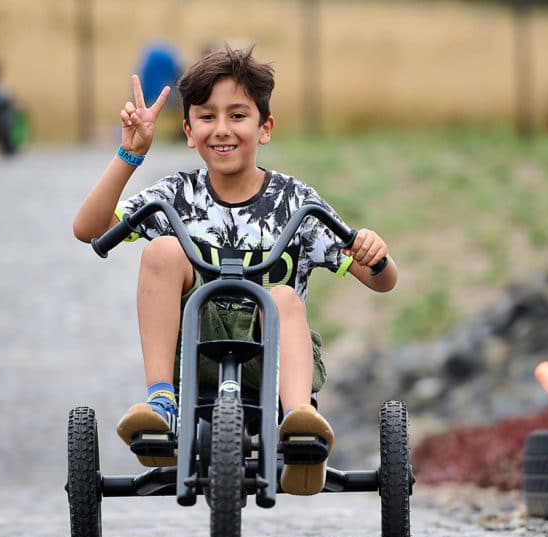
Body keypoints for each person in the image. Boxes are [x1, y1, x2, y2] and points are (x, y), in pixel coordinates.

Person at [72, 45, 398, 495]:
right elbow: (89, 228)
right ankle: (162, 404)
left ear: (265, 128)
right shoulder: (175, 196)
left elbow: (380, 280)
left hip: (276, 359)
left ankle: (298, 425)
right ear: (188, 131)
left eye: (237, 116)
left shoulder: (296, 202)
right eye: (206, 117)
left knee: (282, 295)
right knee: (163, 252)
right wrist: (130, 155)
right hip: (194, 355)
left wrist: (374, 253)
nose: (221, 130)